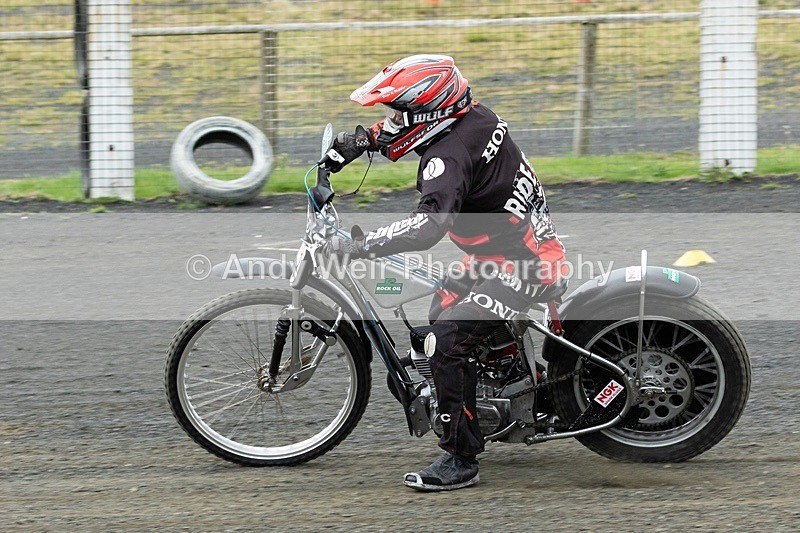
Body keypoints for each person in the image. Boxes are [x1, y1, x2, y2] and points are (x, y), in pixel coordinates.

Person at [323, 54, 567, 491]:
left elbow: (427, 228)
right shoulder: (474, 117)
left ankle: (461, 459)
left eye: (403, 112)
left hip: (523, 261)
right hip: (509, 247)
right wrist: (361, 141)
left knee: (447, 341)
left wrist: (360, 245)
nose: (396, 120)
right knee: (442, 306)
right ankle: (518, 388)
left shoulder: (446, 158)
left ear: (431, 112)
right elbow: (410, 129)